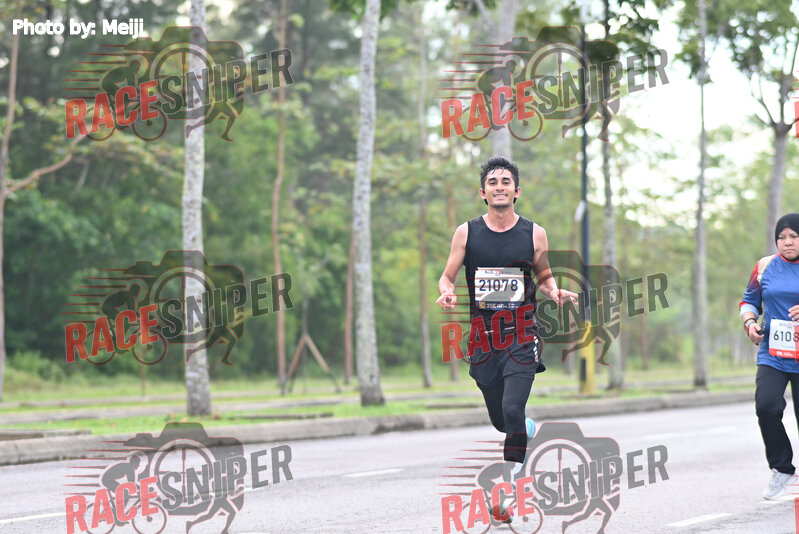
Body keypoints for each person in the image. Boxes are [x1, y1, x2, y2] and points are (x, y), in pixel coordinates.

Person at [437, 156, 577, 522]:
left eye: (506, 182)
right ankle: (524, 431)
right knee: (503, 421)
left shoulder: (534, 233)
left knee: (514, 408)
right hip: (483, 339)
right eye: (492, 182)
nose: (499, 187)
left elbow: (544, 277)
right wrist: (447, 291)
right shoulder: (466, 232)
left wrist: (554, 291)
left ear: (517, 191)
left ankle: (508, 492)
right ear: (482, 193)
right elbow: (447, 276)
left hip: (522, 334)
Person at [740, 213, 799, 500]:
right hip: (773, 353)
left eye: (794, 236)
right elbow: (749, 301)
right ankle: (782, 469)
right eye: (782, 237)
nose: (787, 242)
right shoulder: (764, 266)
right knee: (766, 406)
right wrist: (750, 323)